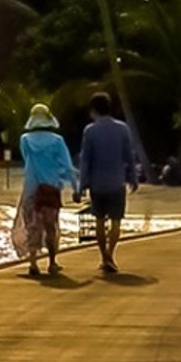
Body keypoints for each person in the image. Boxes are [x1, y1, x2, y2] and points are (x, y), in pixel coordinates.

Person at [77, 91, 141, 275]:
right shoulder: (123, 129)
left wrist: (83, 184)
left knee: (98, 220)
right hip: (117, 182)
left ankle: (104, 256)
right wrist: (133, 179)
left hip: (97, 184)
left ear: (94, 110)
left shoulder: (90, 131)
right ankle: (110, 255)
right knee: (115, 221)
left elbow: (85, 160)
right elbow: (130, 156)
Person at [14, 102, 76, 277]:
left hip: (31, 188)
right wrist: (76, 187)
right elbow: (67, 166)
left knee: (32, 226)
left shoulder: (24, 140)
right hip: (51, 188)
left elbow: (27, 160)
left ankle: (33, 262)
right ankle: (52, 262)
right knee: (51, 227)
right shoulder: (57, 141)